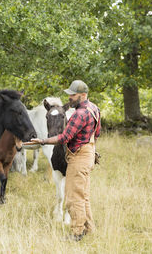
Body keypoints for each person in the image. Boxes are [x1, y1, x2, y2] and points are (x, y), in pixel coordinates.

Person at [31, 80, 101, 241]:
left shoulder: (80, 114)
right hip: (88, 153)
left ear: (83, 95)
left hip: (78, 157)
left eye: (73, 95)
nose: (69, 97)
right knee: (84, 196)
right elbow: (97, 133)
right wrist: (91, 149)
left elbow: (64, 137)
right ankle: (89, 228)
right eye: (69, 94)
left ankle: (76, 233)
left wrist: (42, 141)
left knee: (73, 197)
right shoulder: (94, 109)